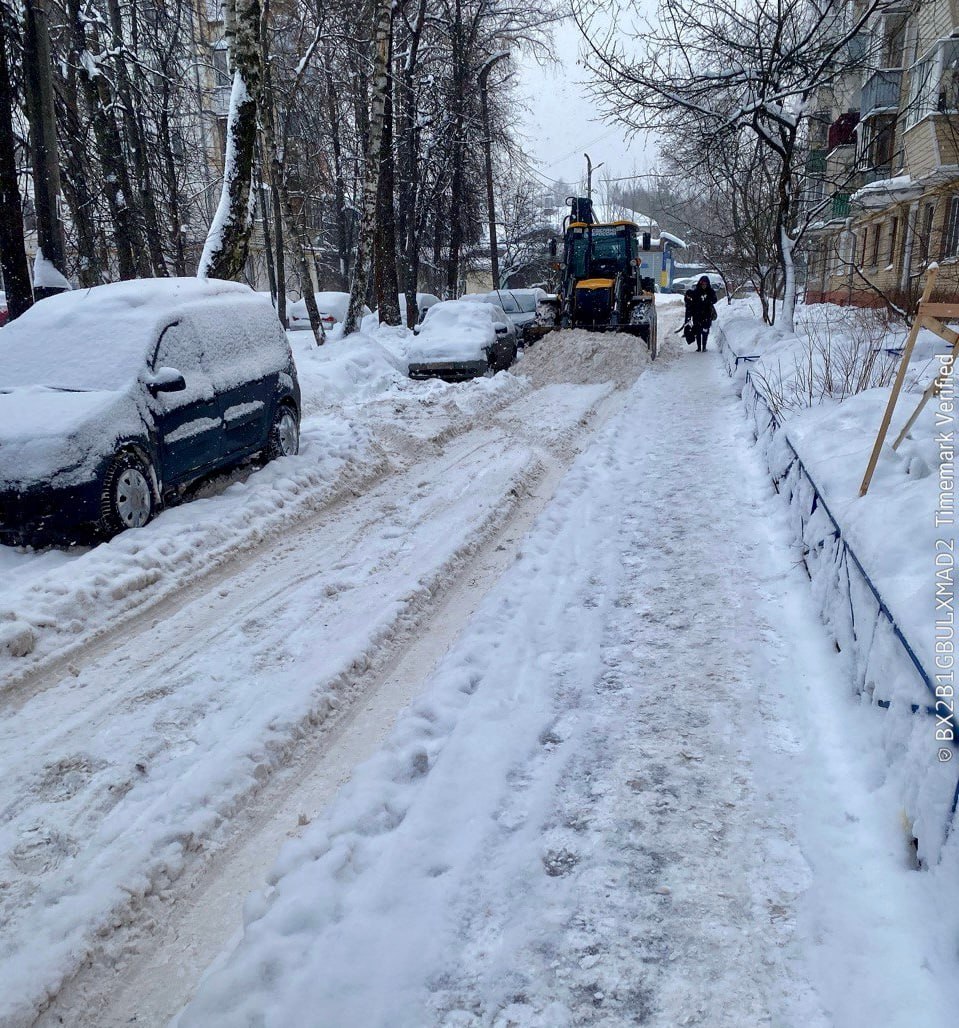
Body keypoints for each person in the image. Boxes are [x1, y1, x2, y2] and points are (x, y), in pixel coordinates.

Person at [684, 275, 718, 351]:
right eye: (702, 284)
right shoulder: (696, 292)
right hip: (697, 314)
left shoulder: (710, 292)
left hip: (707, 315)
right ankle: (699, 347)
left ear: (708, 284)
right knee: (698, 331)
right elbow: (690, 300)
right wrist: (688, 297)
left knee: (705, 331)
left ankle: (704, 346)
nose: (704, 286)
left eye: (705, 284)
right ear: (700, 284)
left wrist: (709, 299)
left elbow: (715, 300)